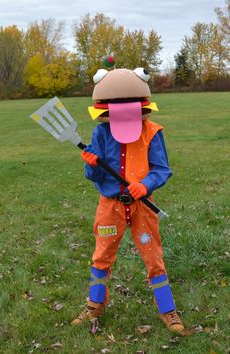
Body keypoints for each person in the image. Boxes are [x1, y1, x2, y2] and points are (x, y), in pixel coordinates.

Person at [72, 63, 185, 334]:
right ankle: (94, 305)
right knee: (101, 256)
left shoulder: (152, 132)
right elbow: (94, 176)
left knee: (154, 257)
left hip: (141, 209)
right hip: (110, 207)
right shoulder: (101, 133)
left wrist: (145, 186)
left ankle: (168, 310)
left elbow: (162, 169)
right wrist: (91, 164)